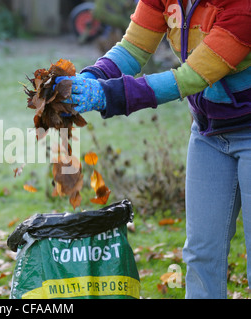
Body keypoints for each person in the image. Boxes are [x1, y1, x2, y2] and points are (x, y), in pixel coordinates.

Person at [57, 0, 251, 299]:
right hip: (209, 134)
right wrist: (91, 77)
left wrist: (110, 95)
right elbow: (132, 50)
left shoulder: (242, 7)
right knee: (201, 255)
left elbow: (190, 78)